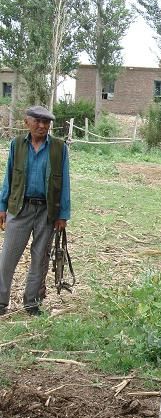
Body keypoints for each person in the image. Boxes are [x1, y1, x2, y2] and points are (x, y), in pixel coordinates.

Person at [0, 105, 71, 315]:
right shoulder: (17, 145)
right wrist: (2, 206)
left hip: (46, 212)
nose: (42, 126)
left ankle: (32, 302)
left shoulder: (59, 148)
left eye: (46, 122)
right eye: (37, 121)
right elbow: (9, 177)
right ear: (27, 122)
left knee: (40, 258)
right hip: (19, 209)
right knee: (8, 257)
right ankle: (1, 302)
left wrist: (63, 215)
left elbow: (65, 183)